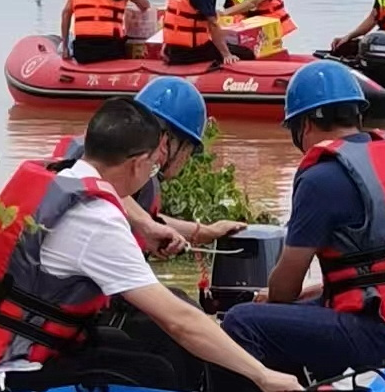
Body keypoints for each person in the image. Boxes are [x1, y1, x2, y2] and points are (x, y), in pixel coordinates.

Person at [0, 97, 302, 392]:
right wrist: (262, 375)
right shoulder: (95, 219)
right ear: (138, 163)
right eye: (153, 163)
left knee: (149, 346)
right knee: (156, 370)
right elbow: (179, 321)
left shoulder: (60, 178)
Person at [215, 60, 385, 392]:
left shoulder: (320, 178)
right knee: (303, 309)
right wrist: (310, 295)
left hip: (379, 336)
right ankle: (315, 387)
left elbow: (285, 286)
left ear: (307, 123)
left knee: (242, 321)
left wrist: (273, 299)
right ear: (357, 114)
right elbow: (371, 276)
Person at [51, 77, 246, 257]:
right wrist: (144, 223)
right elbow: (93, 184)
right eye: (189, 151)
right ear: (167, 142)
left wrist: (206, 232)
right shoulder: (89, 164)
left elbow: (146, 217)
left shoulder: (113, 160)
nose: (187, 159)